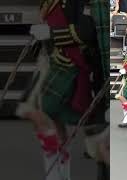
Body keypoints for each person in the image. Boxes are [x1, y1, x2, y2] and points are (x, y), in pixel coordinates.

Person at [16, 0, 108, 179]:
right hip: (54, 62)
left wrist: (50, 34)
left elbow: (86, 31)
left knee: (49, 116)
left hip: (74, 65)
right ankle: (58, 173)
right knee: (42, 117)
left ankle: (59, 172)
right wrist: (41, 39)